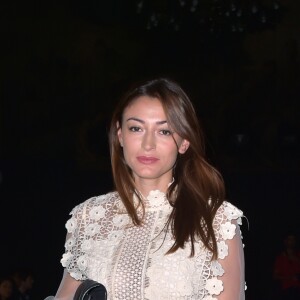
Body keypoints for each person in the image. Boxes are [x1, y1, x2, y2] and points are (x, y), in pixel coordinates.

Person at [54, 78, 245, 299]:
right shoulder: (88, 217)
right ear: (120, 135)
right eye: (136, 128)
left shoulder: (217, 221)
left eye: (164, 131)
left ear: (184, 142)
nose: (148, 144)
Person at [273, 232, 300, 300]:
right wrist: (290, 278)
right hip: (288, 290)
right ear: (285, 241)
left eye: (293, 239)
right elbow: (275, 276)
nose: (292, 241)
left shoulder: (298, 255)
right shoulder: (280, 258)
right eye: (290, 239)